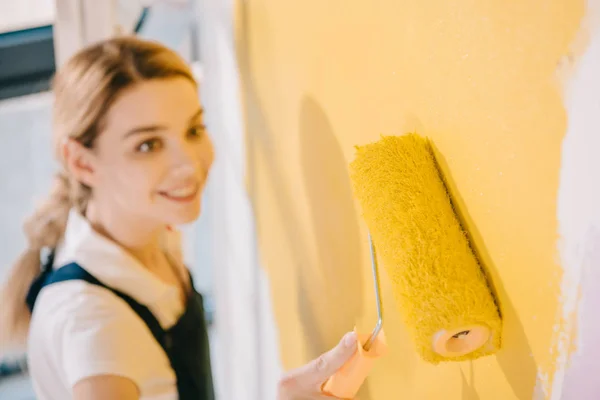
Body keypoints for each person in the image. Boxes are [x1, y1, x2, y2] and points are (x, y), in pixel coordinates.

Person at [0, 37, 358, 400]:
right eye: (148, 145)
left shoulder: (151, 225)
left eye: (194, 130)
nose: (189, 164)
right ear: (81, 162)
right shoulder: (95, 326)